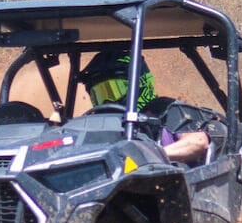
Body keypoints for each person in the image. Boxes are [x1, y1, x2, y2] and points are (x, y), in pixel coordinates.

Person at [80, 50, 218, 164]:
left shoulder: (164, 109)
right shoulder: (97, 125)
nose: (107, 100)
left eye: (115, 90)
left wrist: (149, 156)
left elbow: (199, 142)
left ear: (141, 83)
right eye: (98, 94)